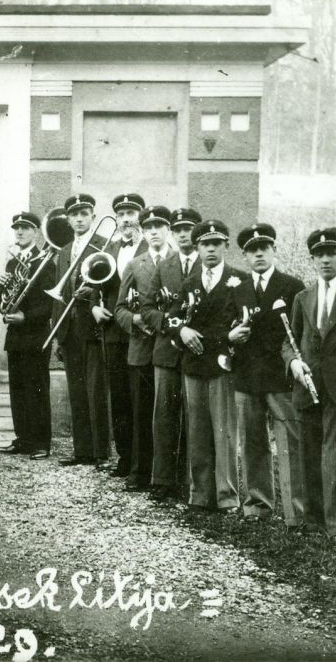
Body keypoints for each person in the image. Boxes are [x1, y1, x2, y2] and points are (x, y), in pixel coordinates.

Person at [282, 228, 336, 553]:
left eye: (332, 253)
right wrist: (293, 363)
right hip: (308, 386)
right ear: (312, 259)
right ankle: (314, 521)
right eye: (319, 255)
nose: (325, 260)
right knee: (310, 455)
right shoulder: (303, 297)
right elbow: (289, 341)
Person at [230, 224, 307, 529]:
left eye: (264, 248)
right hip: (247, 377)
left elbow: (298, 332)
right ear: (245, 256)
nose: (258, 254)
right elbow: (230, 327)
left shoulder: (292, 286)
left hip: (280, 378)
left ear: (274, 250)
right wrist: (233, 335)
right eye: (252, 250)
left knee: (290, 444)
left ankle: (296, 512)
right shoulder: (238, 289)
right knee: (252, 442)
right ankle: (257, 505)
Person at [168, 220, 245, 513]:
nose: (210, 249)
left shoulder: (239, 280)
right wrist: (182, 331)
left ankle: (227, 497)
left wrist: (220, 338)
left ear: (225, 246)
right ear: (197, 248)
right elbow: (172, 316)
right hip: (194, 365)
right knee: (197, 431)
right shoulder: (189, 283)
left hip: (223, 366)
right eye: (205, 244)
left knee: (224, 432)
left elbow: (241, 324)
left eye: (216, 244)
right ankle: (200, 494)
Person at [140, 208, 202, 501]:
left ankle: (192, 482)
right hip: (167, 351)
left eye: (188, 229)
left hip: (199, 352)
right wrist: (171, 325)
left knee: (196, 419)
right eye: (177, 230)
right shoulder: (165, 266)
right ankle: (163, 480)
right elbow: (147, 308)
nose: (182, 234)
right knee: (164, 417)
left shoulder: (209, 264)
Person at [115, 203, 175, 491]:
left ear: (168, 230)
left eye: (158, 227)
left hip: (171, 348)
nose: (153, 232)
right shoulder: (134, 264)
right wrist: (136, 319)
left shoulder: (179, 261)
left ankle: (169, 476)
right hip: (141, 350)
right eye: (148, 228)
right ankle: (139, 473)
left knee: (169, 414)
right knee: (140, 413)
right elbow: (120, 309)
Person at [52, 194, 112, 470]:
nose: (79, 219)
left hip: (92, 328)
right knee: (76, 392)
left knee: (95, 391)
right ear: (68, 219)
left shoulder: (104, 245)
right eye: (74, 214)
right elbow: (59, 297)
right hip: (69, 330)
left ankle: (101, 452)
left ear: (92, 216)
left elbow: (110, 284)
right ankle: (82, 451)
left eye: (84, 214)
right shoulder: (64, 251)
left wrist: (93, 291)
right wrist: (57, 336)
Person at [0, 212, 56, 460]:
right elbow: (2, 299)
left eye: (25, 228)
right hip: (15, 337)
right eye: (17, 228)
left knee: (37, 389)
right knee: (18, 390)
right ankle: (23, 439)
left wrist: (25, 317)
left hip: (36, 335)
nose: (19, 232)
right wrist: (1, 286)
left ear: (36, 232)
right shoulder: (12, 264)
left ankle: (41, 443)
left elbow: (50, 305)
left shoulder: (46, 262)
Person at [96, 194, 147, 478]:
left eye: (131, 213)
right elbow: (93, 285)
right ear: (116, 219)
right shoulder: (109, 248)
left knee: (141, 397)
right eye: (121, 214)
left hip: (142, 333)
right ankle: (125, 458)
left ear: (140, 217)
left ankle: (143, 462)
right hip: (114, 333)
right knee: (119, 397)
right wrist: (94, 307)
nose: (126, 219)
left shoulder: (150, 247)